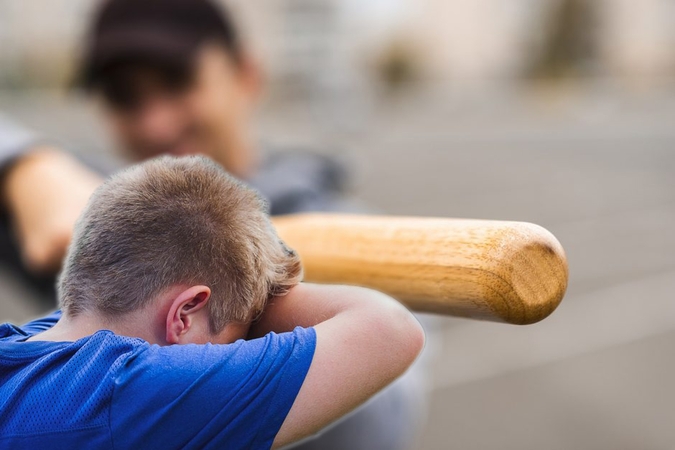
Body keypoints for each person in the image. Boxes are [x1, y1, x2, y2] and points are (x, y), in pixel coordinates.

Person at [0, 0, 430, 447]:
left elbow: (372, 428)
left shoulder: (360, 231)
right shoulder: (88, 193)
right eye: (124, 96)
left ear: (245, 72)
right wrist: (28, 165)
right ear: (184, 313)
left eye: (177, 80)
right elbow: (388, 333)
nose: (156, 124)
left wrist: (239, 289)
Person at [0, 155, 425, 449]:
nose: (229, 357)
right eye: (233, 344)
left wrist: (233, 307)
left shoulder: (21, 347)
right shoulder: (130, 393)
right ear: (184, 315)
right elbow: (390, 329)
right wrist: (259, 301)